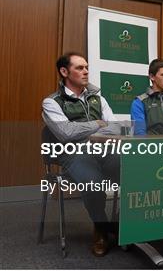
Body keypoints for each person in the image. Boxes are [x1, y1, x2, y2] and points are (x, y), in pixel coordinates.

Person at [42, 52, 120, 257]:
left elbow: (115, 127)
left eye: (86, 67)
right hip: (72, 153)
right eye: (79, 68)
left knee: (135, 168)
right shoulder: (52, 102)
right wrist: (97, 124)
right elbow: (65, 133)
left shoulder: (98, 98)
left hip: (104, 150)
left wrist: (86, 129)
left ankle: (126, 225)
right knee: (92, 181)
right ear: (64, 71)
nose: (85, 71)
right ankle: (101, 228)